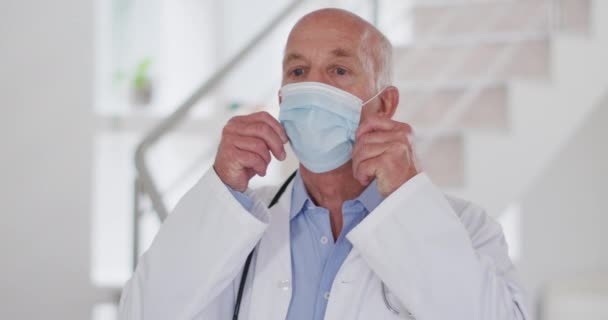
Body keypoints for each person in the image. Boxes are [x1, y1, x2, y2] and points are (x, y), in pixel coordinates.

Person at [119, 8, 528, 320]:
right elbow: (144, 312)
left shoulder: (466, 228)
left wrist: (408, 200)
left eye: (339, 69)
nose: (315, 87)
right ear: (283, 101)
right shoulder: (237, 222)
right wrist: (221, 191)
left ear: (384, 104)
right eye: (298, 71)